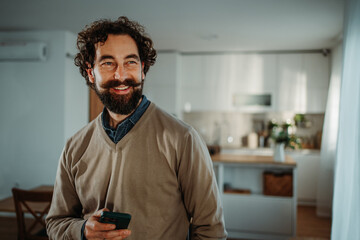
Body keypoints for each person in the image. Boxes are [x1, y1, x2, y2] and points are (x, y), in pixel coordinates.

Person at [46, 16, 227, 240]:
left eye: (130, 62)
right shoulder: (74, 146)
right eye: (108, 63)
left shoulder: (183, 139)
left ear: (142, 69)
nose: (121, 76)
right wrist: (83, 230)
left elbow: (211, 231)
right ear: (91, 73)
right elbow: (55, 223)